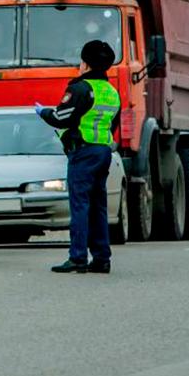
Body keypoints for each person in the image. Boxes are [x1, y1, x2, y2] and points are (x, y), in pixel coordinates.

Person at [35, 40, 122, 274]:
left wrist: (43, 112)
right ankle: (102, 258)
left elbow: (60, 117)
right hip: (103, 151)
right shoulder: (112, 92)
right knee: (98, 206)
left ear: (85, 63)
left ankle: (78, 258)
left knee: (80, 205)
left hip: (83, 153)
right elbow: (113, 124)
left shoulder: (81, 88)